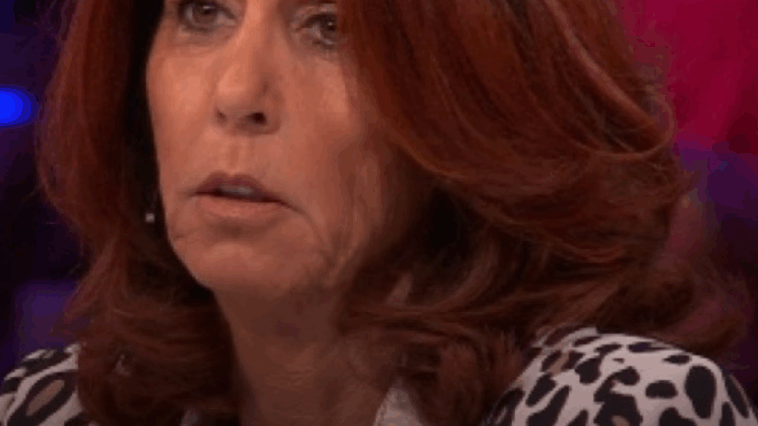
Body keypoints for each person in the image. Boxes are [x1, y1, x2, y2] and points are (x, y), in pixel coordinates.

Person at [1, 0, 756, 425]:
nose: (237, 93)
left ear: (473, 110)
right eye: (204, 11)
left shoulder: (619, 407)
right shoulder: (51, 409)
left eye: (330, 28)